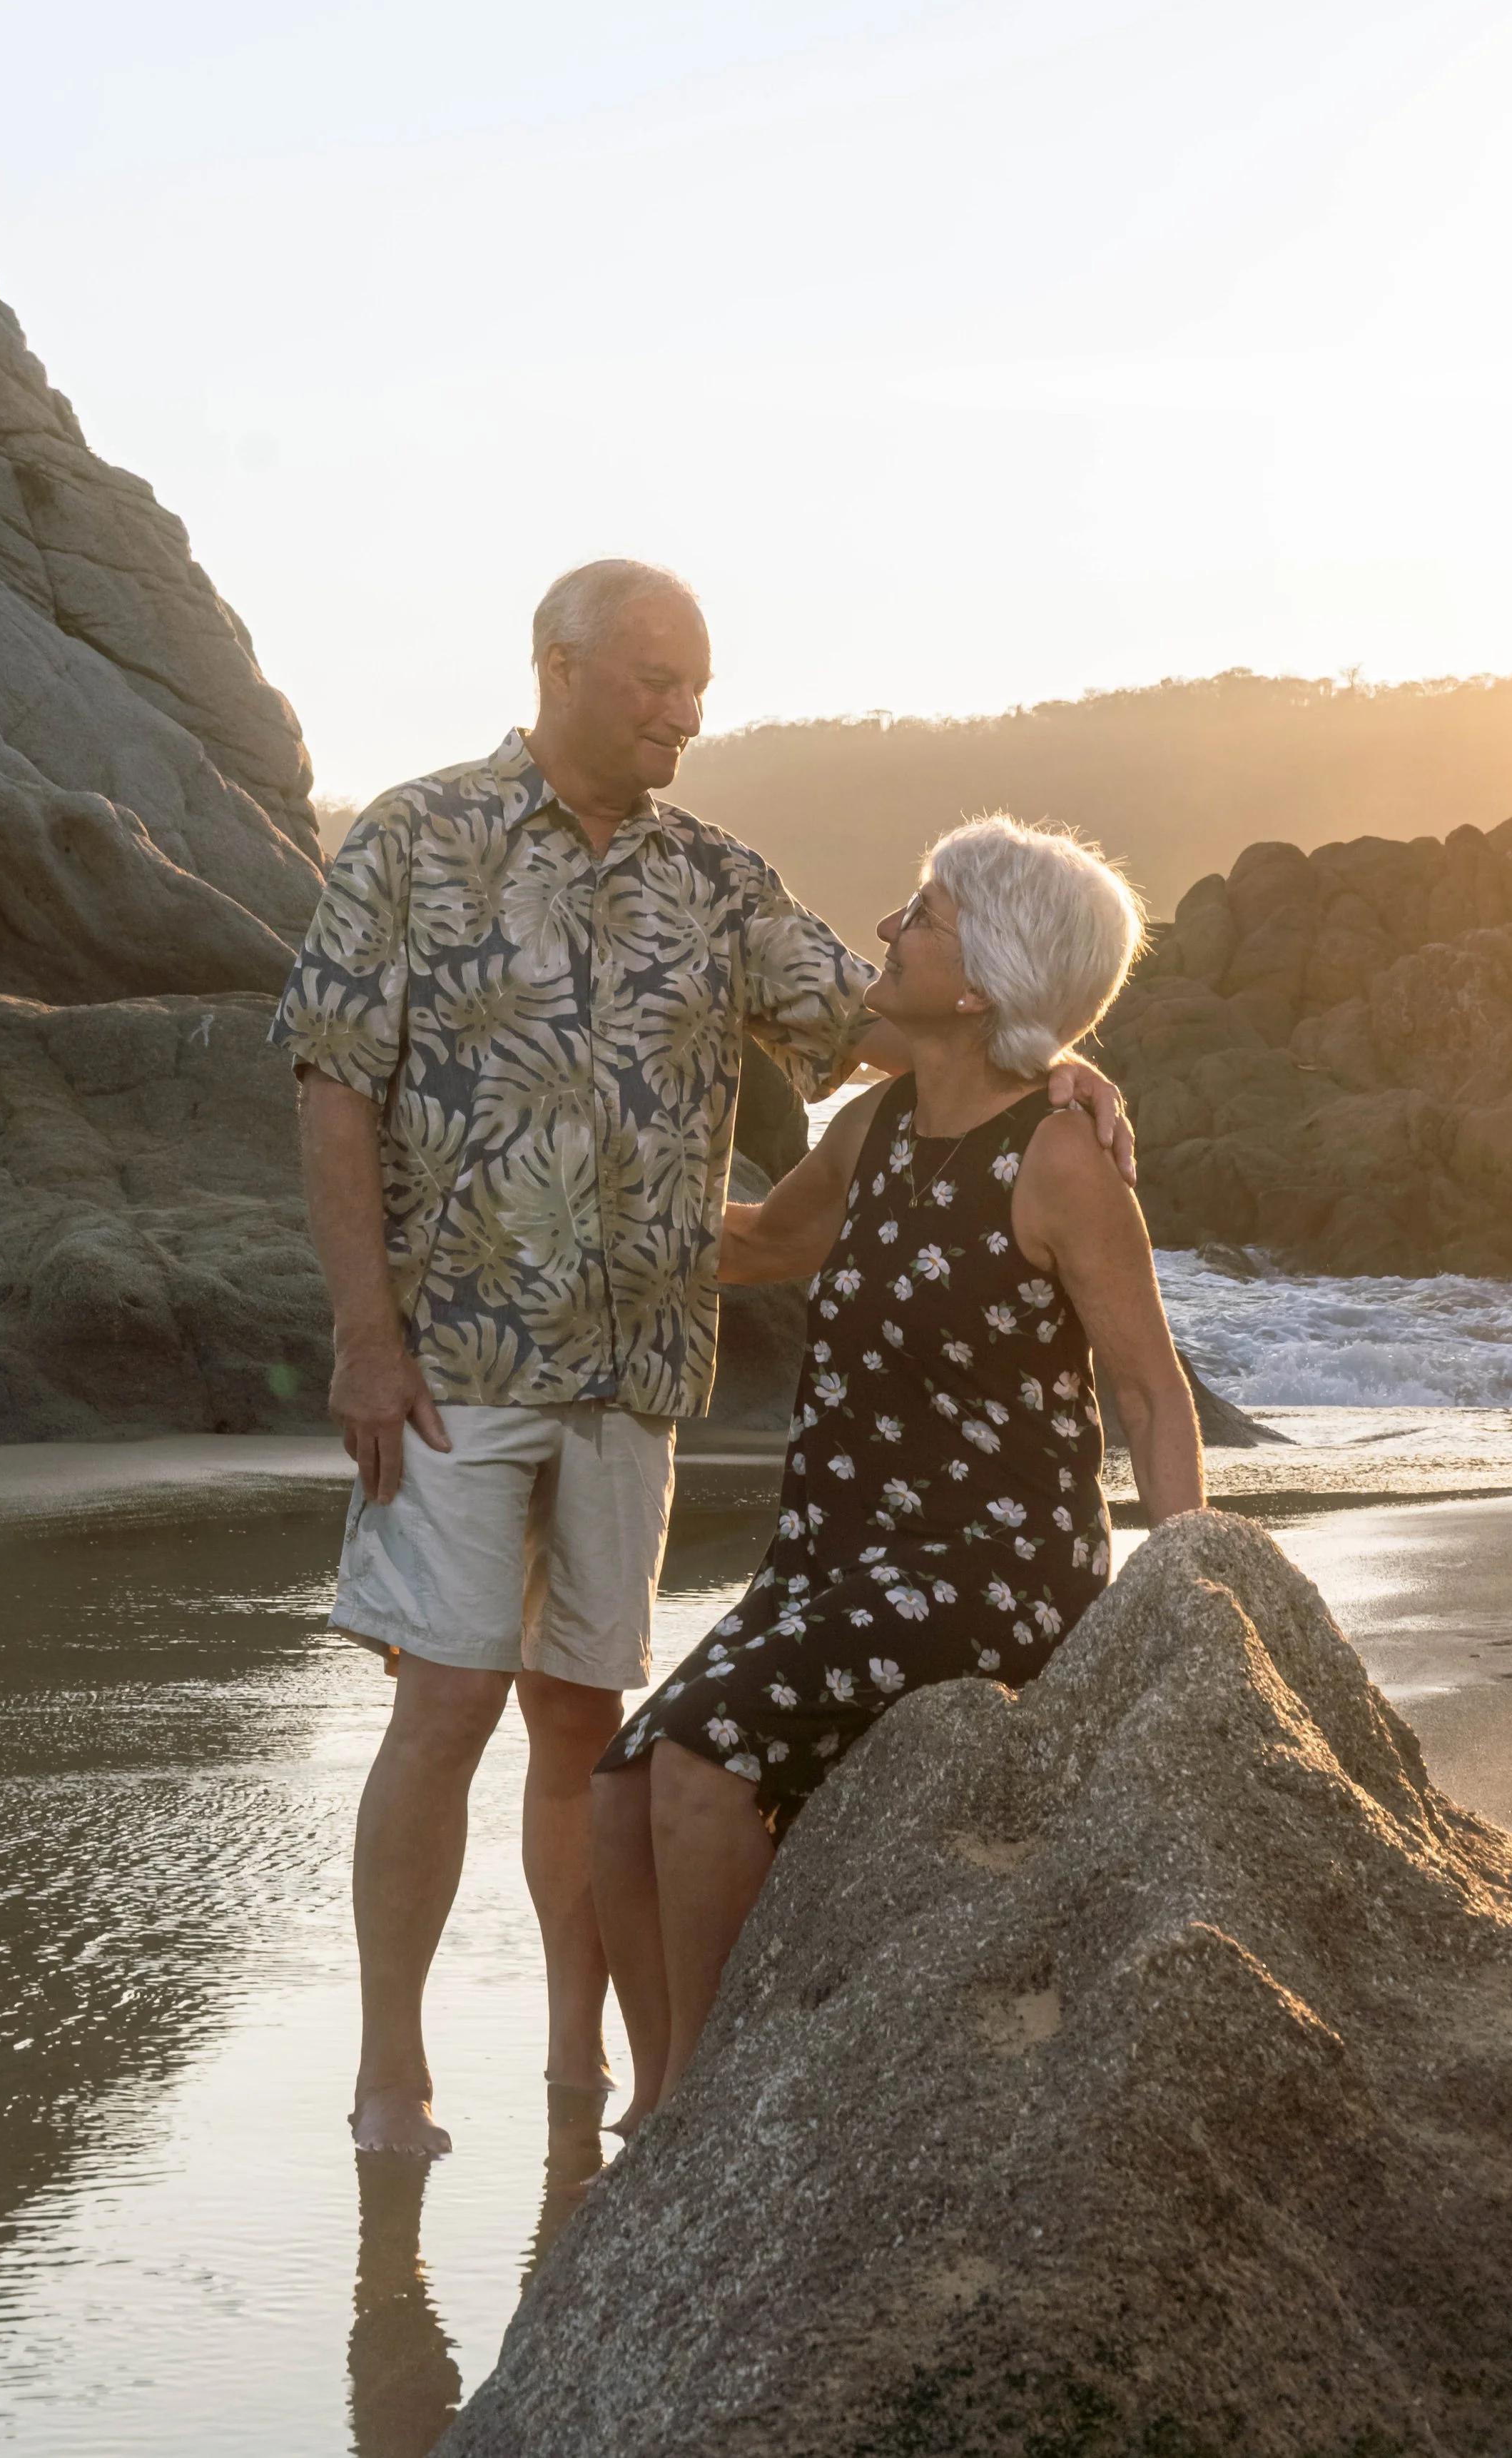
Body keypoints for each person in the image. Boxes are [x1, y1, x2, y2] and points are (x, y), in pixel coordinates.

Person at [271, 562, 1139, 2155]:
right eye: (653, 681)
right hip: (453, 1358)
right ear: (559, 667)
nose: (681, 712)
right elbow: (333, 1083)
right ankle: (390, 2068)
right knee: (447, 1704)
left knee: (578, 1723)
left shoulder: (720, 883)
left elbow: (905, 1022)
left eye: (697, 687)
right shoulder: (412, 839)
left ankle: (574, 2062)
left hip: (635, 1378)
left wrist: (1064, 1064)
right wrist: (363, 1336)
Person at [592, 816, 1203, 2128]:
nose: (887, 929)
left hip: (990, 1574)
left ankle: (703, 2103)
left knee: (703, 1761)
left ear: (980, 977)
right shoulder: (875, 1124)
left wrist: (1186, 1580)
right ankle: (662, 2095)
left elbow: (1151, 1390)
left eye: (920, 915)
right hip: (833, 1560)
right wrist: (570, 1212)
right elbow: (759, 1244)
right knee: (622, 1784)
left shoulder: (1059, 1157)